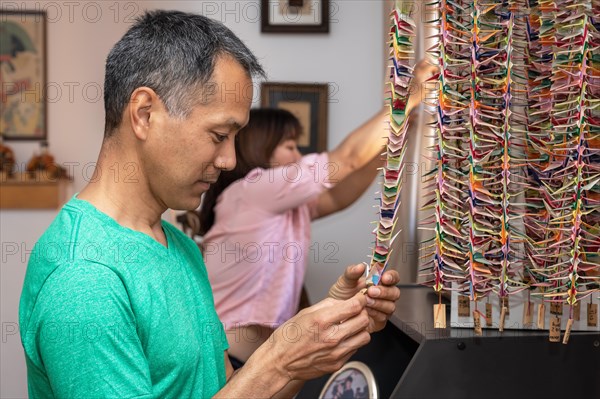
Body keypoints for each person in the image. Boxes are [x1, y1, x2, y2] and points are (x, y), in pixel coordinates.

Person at [18, 10, 401, 399]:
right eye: (218, 135)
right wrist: (277, 360)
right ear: (145, 114)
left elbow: (232, 390)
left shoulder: (178, 246)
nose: (230, 160)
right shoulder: (85, 277)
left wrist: (319, 339)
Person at [197, 64, 435, 365]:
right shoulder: (255, 188)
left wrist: (394, 136)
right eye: (290, 146)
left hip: (253, 360)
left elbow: (339, 196)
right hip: (228, 359)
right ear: (260, 148)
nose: (298, 155)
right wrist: (406, 99)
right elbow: (346, 161)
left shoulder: (280, 205)